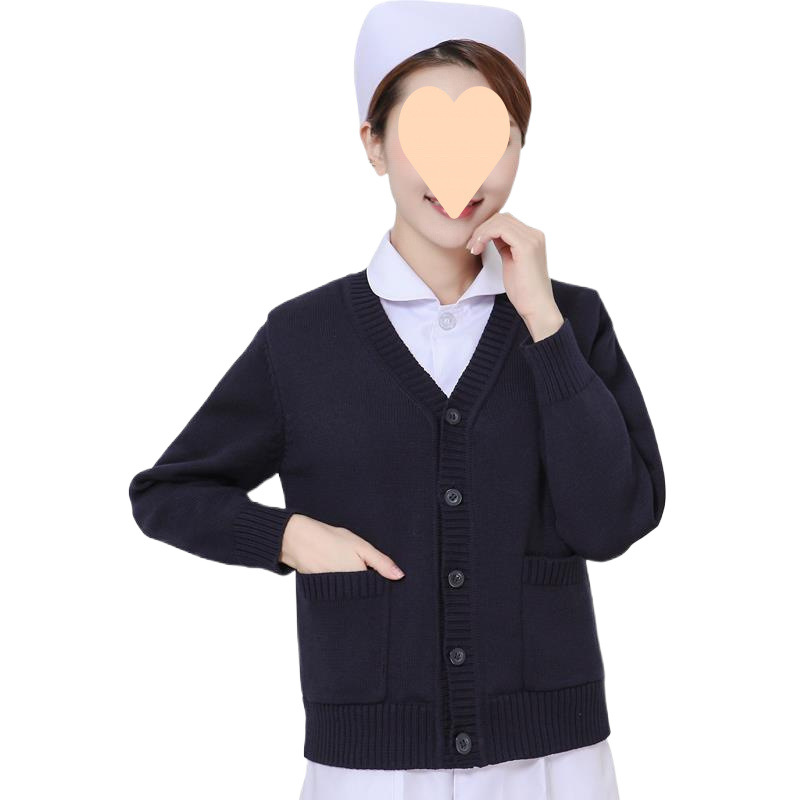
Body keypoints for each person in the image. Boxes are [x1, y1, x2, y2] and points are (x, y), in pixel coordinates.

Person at [128, 2, 665, 798]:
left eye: (491, 138)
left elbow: (614, 521)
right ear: (374, 145)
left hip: (552, 766)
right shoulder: (304, 340)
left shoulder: (570, 322)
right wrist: (289, 537)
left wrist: (544, 326)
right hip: (369, 772)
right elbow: (168, 493)